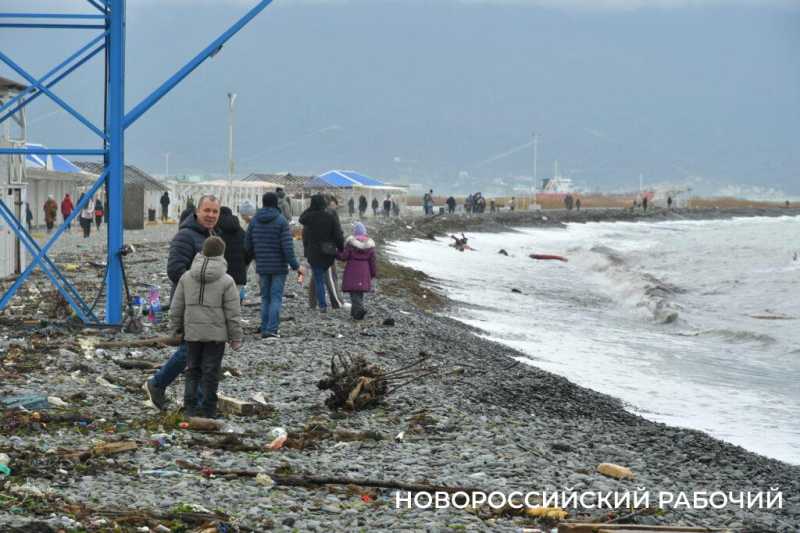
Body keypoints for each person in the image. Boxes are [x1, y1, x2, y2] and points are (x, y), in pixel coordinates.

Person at [143, 195, 221, 410]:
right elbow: (175, 270)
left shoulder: (213, 235)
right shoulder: (185, 237)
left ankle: (194, 401)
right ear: (197, 211)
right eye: (207, 210)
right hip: (189, 303)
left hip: (209, 305)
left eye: (215, 211)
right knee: (190, 351)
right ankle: (157, 383)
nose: (211, 215)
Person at [170, 236, 242, 418]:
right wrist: (235, 337)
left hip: (192, 333)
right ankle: (208, 409)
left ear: (202, 251)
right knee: (211, 371)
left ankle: (190, 408)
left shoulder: (187, 277)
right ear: (221, 254)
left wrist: (176, 327)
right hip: (216, 336)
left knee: (192, 369)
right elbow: (233, 312)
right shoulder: (227, 281)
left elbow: (176, 305)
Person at [245, 192, 303, 338]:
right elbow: (287, 248)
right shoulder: (281, 221)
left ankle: (265, 327)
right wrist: (296, 266)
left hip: (262, 265)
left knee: (265, 298)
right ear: (276, 203)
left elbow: (247, 245)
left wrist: (253, 258)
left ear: (263, 203)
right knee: (276, 297)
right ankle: (271, 329)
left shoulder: (254, 221)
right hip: (278, 266)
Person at [299, 193, 344, 313]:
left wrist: (310, 208)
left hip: (314, 253)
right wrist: (341, 249)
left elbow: (301, 218)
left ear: (313, 204)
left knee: (318, 279)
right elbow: (338, 235)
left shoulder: (310, 217)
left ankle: (322, 305)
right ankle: (334, 302)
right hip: (328, 252)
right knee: (328, 277)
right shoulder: (330, 216)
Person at [337, 222, 377, 320]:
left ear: (355, 233)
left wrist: (336, 252)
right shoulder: (370, 246)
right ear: (365, 233)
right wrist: (373, 273)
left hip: (352, 271)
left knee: (354, 293)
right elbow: (373, 262)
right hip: (364, 271)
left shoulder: (351, 244)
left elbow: (343, 257)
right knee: (359, 292)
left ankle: (359, 311)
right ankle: (354, 313)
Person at [216, 206, 249, 303]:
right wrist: (244, 264)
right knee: (234, 307)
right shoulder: (242, 232)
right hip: (239, 275)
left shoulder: (216, 230)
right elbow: (249, 251)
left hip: (220, 275)